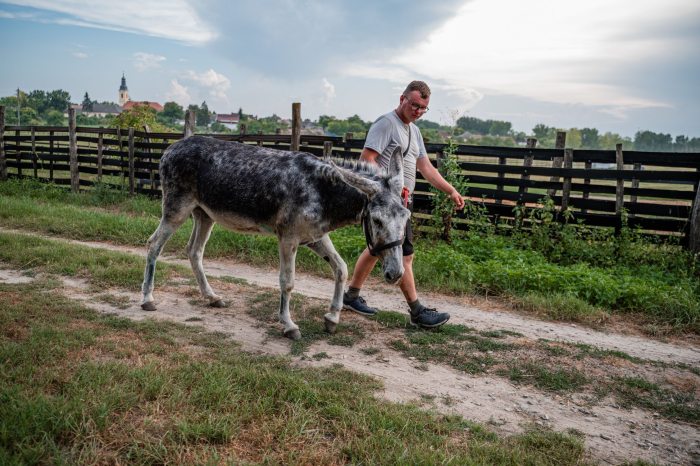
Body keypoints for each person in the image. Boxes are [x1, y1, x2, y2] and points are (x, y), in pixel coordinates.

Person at [343, 80, 465, 328]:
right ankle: (417, 312)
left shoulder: (414, 131)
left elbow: (426, 167)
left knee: (378, 249)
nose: (418, 111)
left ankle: (351, 296)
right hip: (388, 205)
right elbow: (366, 159)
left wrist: (450, 190)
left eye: (423, 108)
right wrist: (392, 188)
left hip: (400, 205)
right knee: (405, 256)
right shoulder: (386, 124)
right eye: (414, 105)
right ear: (402, 99)